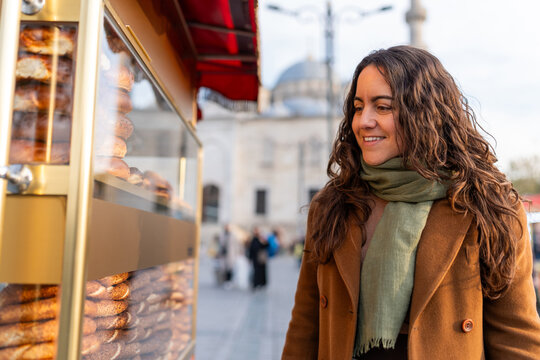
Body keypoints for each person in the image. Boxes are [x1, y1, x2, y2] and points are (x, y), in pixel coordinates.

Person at [282, 46, 540, 359]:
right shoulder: (334, 204)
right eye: (358, 106)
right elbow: (305, 327)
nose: (363, 121)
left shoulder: (486, 206)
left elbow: (517, 338)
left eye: (383, 107)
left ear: (424, 112)